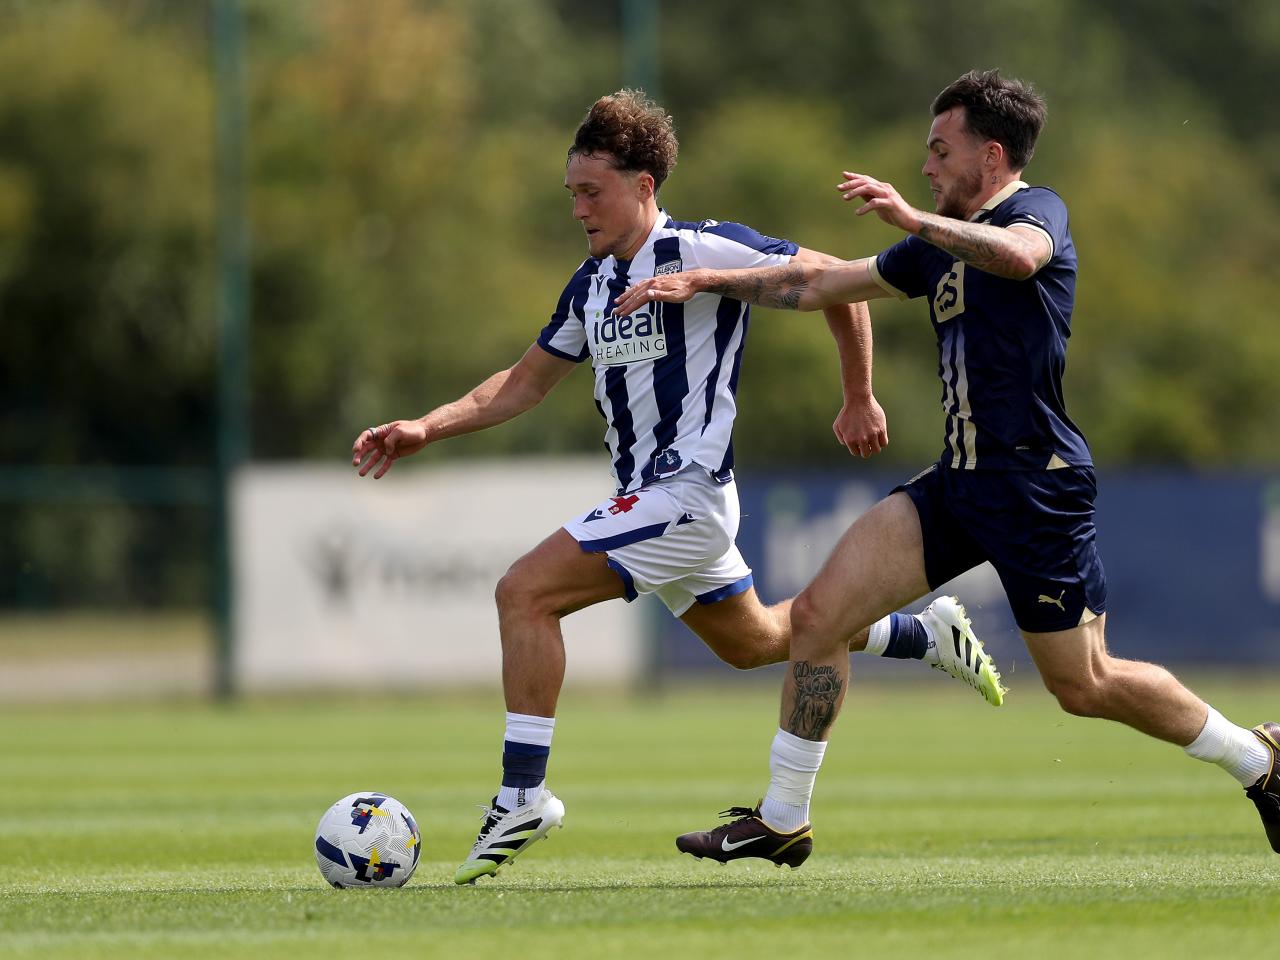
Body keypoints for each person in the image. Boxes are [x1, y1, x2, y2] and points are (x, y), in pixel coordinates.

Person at [616, 69, 1279, 865]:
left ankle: (1259, 760)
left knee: (1084, 685)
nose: (927, 166)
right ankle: (782, 818)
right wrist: (708, 280)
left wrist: (914, 219)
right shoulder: (935, 245)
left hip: (1037, 488)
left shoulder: (1037, 211)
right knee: (820, 618)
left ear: (991, 156)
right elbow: (823, 282)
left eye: (941, 150)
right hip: (959, 485)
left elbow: (1022, 259)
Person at [350, 90, 1006, 885]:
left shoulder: (703, 248)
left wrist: (859, 395)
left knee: (524, 592)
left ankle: (522, 797)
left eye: (592, 192)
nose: (578, 209)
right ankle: (921, 634)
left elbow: (835, 281)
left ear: (643, 185)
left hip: (685, 493)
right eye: (572, 194)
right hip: (654, 501)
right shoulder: (590, 285)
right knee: (755, 643)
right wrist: (426, 426)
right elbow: (521, 385)